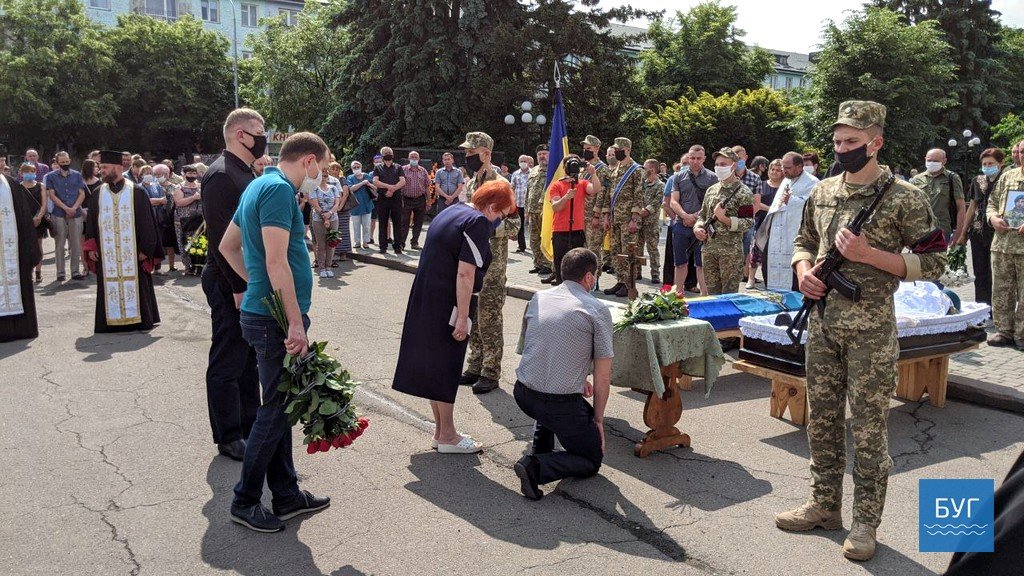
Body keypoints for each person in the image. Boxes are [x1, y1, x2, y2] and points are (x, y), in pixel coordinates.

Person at [775, 101, 947, 561]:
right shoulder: (823, 190)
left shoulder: (905, 197)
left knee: (869, 429)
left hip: (871, 332)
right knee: (822, 421)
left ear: (876, 143)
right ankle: (824, 505)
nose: (842, 148)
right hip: (823, 324)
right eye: (837, 141)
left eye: (852, 141)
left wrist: (870, 255)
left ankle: (865, 522)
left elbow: (935, 261)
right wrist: (804, 272)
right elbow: (804, 240)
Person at [218, 132, 331, 533]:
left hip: (267, 314)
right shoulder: (280, 190)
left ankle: (286, 494)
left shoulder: (259, 184)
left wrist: (255, 287)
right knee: (277, 410)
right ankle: (245, 500)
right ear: (308, 161)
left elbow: (227, 246)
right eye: (323, 168)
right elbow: (276, 261)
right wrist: (294, 321)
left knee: (282, 407)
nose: (322, 177)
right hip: (276, 320)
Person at [392, 178, 517, 453]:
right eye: (501, 214)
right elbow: (465, 273)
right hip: (448, 303)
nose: (500, 220)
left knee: (436, 368)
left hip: (427, 299)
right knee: (447, 368)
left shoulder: (453, 211)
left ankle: (441, 432)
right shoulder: (478, 222)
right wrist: (462, 316)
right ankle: (448, 436)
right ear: (492, 206)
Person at [512, 248, 612, 500]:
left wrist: (577, 377)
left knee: (550, 405)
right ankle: (536, 467)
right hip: (558, 403)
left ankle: (540, 450)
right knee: (591, 459)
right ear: (589, 277)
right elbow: (603, 378)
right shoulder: (596, 309)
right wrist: (599, 421)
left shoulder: (538, 297)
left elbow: (533, 347)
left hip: (523, 393)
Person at [200, 107, 264, 462]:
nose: (263, 137)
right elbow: (220, 241)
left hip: (245, 277)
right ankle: (228, 434)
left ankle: (250, 423)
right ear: (241, 135)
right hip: (229, 281)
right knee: (228, 359)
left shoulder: (245, 171)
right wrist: (240, 287)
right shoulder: (222, 175)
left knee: (248, 360)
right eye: (259, 131)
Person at [458, 133, 522, 394]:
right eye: (466, 153)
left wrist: (485, 228)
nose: (467, 157)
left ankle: (490, 371)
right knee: (475, 315)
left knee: (490, 318)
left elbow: (515, 225)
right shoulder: (474, 182)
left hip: (493, 265)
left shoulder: (501, 184)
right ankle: (475, 365)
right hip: (474, 260)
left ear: (486, 153)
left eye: (471, 152)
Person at [83, 151, 164, 333]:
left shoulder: (136, 192)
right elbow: (91, 224)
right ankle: (110, 322)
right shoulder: (97, 193)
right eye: (101, 167)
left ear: (117, 167)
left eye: (105, 167)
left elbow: (147, 223)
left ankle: (139, 321)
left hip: (133, 254)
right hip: (107, 256)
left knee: (138, 284)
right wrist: (91, 247)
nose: (101, 171)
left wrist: (146, 249)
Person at [693, 148, 754, 295]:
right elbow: (703, 215)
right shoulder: (711, 190)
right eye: (717, 164)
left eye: (723, 164)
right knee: (712, 295)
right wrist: (697, 227)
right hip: (709, 250)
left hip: (730, 254)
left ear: (734, 166)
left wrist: (724, 219)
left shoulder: (744, 192)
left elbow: (748, 222)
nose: (719, 168)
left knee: (729, 296)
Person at [986, 138, 1024, 350]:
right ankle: (1004, 332)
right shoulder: (1008, 176)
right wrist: (992, 218)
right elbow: (992, 202)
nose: (1022, 155)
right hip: (1003, 245)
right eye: (1021, 151)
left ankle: (1022, 334)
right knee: (1001, 290)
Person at [762, 152, 819, 291]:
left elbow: (814, 207)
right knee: (768, 266)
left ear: (799, 167)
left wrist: (792, 201)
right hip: (777, 233)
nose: (784, 170)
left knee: (794, 276)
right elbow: (777, 204)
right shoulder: (786, 180)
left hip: (795, 235)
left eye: (787, 167)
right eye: (783, 167)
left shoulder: (813, 182)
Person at [668, 146, 717, 297]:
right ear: (688, 158)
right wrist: (685, 216)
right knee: (679, 263)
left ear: (704, 159)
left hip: (702, 225)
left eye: (698, 158)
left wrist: (694, 218)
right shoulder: (678, 177)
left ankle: (704, 296)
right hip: (681, 225)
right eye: (692, 158)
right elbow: (673, 201)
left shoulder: (712, 178)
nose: (695, 161)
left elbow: (713, 204)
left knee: (701, 264)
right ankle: (677, 296)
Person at [0, 170, 43, 342]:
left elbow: (25, 220)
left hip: (13, 253)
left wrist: (31, 251)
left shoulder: (10, 185)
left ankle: (20, 329)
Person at [600, 137, 644, 298]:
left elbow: (639, 195)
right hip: (614, 217)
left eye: (620, 150)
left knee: (628, 252)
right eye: (616, 150)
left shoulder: (636, 170)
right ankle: (620, 280)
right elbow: (609, 194)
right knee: (615, 251)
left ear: (628, 150)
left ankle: (629, 284)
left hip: (628, 219)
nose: (617, 152)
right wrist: (606, 216)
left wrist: (635, 218)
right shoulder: (615, 169)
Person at [963, 148, 1006, 307]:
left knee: (996, 273)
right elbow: (972, 207)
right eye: (985, 164)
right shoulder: (978, 180)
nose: (987, 167)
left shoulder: (1006, 179)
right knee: (980, 273)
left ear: (1001, 163)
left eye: (991, 163)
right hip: (978, 232)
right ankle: (981, 308)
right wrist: (963, 233)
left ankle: (998, 309)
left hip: (1000, 233)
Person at [545, 155, 593, 285]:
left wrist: (593, 174)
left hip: (577, 230)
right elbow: (556, 207)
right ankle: (561, 286)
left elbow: (595, 189)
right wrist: (566, 197)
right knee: (560, 263)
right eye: (570, 164)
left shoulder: (582, 183)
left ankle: (576, 288)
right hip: (560, 230)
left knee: (578, 264)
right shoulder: (557, 185)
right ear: (564, 167)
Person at [44, 151, 87, 282]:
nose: (65, 164)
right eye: (62, 162)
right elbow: (51, 195)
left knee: (76, 243)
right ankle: (60, 273)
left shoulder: (77, 175)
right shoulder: (51, 176)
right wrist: (65, 208)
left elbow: (82, 193)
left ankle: (75, 271)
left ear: (70, 161)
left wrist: (74, 208)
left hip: (76, 213)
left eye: (67, 161)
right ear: (57, 163)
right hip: (58, 213)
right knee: (60, 244)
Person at [910, 149, 966, 245]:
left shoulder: (952, 178)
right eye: (929, 160)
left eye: (935, 161)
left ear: (944, 161)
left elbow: (961, 207)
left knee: (939, 255)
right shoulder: (916, 179)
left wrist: (959, 233)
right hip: (920, 229)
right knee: (919, 255)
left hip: (942, 229)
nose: (932, 163)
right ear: (925, 159)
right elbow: (910, 207)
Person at [746, 158, 783, 288]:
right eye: (772, 169)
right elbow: (756, 203)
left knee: (774, 252)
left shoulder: (785, 187)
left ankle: (772, 280)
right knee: (755, 251)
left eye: (778, 170)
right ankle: (751, 279)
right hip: (761, 221)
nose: (774, 172)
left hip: (777, 223)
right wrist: (771, 209)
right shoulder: (761, 184)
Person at [581, 135, 612, 277]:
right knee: (583, 249)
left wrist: (597, 215)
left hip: (593, 216)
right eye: (584, 148)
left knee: (593, 250)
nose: (585, 150)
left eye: (588, 148)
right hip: (581, 214)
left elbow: (603, 194)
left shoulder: (602, 169)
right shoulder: (583, 168)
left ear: (597, 149)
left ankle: (595, 279)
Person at [19, 163, 49, 283]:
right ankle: (29, 272)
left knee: (38, 246)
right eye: (26, 171)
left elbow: (44, 204)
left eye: (32, 171)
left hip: (38, 221)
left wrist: (38, 217)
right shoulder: (18, 187)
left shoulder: (41, 186)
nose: (29, 174)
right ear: (21, 173)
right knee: (26, 248)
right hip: (24, 221)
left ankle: (38, 272)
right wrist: (26, 219)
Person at [526, 144, 553, 276]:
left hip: (545, 211)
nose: (542, 156)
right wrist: (526, 209)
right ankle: (538, 263)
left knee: (545, 238)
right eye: (540, 154)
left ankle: (547, 264)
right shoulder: (533, 171)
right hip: (532, 211)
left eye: (544, 154)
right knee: (533, 239)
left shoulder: (553, 171)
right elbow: (528, 191)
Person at [372, 146, 405, 254]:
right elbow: (375, 181)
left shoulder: (398, 167)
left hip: (396, 197)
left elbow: (403, 181)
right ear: (382, 156)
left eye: (389, 152)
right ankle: (383, 247)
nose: (388, 154)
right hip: (383, 197)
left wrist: (392, 189)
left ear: (393, 154)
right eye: (386, 153)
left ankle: (398, 247)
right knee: (382, 222)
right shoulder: (378, 168)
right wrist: (388, 187)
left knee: (397, 222)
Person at [309, 172, 341, 277]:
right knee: (321, 244)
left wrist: (330, 213)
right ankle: (322, 267)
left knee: (331, 243)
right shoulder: (314, 189)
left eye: (326, 175)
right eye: (321, 176)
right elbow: (315, 205)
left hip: (333, 218)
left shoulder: (333, 188)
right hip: (318, 219)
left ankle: (329, 266)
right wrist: (325, 217)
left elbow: (337, 203)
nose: (323, 178)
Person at [173, 165, 203, 273]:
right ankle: (187, 266)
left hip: (199, 219)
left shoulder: (200, 186)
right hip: (183, 220)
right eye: (190, 173)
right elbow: (179, 202)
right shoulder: (179, 187)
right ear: (184, 174)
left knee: (200, 242)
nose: (192, 175)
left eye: (194, 173)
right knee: (185, 242)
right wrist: (193, 197)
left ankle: (199, 265)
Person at [639, 159, 663, 285]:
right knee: (637, 248)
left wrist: (645, 211)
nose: (643, 170)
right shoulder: (641, 183)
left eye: (645, 168)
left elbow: (657, 202)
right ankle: (637, 272)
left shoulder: (660, 185)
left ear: (652, 170)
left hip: (651, 223)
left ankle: (655, 273)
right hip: (639, 222)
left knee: (652, 249)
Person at [400, 151, 429, 250]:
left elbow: (427, 186)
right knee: (404, 222)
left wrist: (429, 201)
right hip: (406, 199)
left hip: (420, 199)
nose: (414, 159)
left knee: (418, 222)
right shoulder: (403, 169)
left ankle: (414, 243)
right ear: (408, 158)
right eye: (412, 157)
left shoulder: (423, 170)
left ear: (419, 159)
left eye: (416, 157)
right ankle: (401, 243)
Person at [346, 160, 376, 249]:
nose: (356, 168)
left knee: (366, 225)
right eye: (354, 167)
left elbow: (375, 187)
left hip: (367, 204)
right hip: (355, 206)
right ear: (352, 169)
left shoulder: (367, 176)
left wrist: (369, 184)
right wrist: (362, 183)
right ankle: (357, 242)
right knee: (356, 226)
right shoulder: (350, 177)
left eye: (358, 167)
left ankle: (366, 242)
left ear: (361, 167)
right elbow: (351, 189)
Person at [509, 155, 531, 253]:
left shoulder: (533, 173)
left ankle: (534, 246)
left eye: (525, 161)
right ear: (518, 162)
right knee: (520, 225)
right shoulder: (515, 174)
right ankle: (521, 246)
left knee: (532, 226)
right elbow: (512, 188)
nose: (523, 163)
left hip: (530, 204)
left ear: (528, 162)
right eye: (521, 161)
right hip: (518, 203)